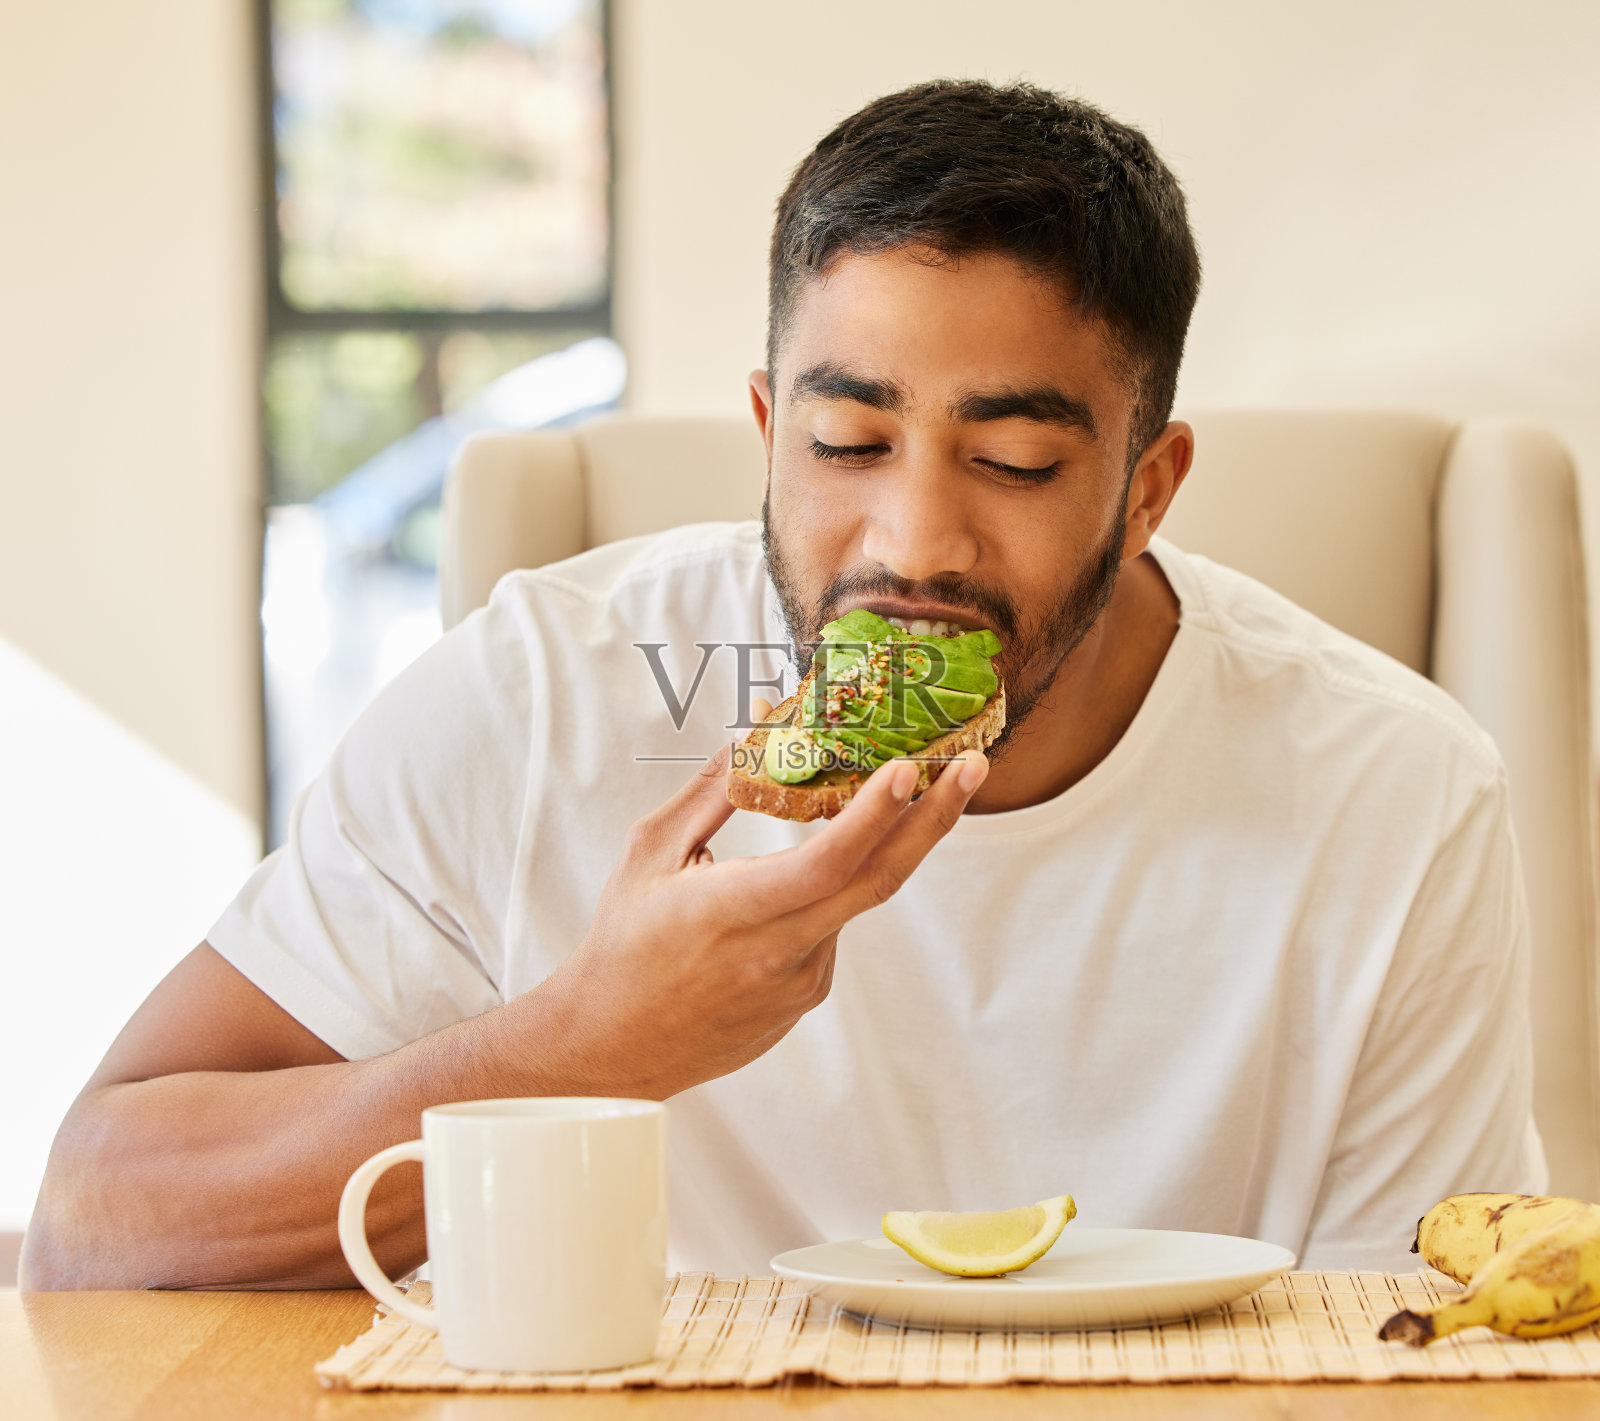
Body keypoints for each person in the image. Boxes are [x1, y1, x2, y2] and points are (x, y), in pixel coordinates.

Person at [22, 79, 1542, 1291]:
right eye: (846, 444)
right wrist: (587, 1044)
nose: (915, 540)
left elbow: (1411, 1350)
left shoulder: (1398, 792)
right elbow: (97, 1220)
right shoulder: (543, 693)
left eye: (1016, 459)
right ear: (764, 433)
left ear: (1149, 489)